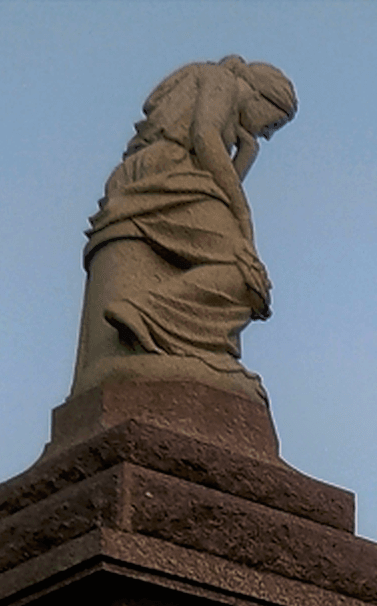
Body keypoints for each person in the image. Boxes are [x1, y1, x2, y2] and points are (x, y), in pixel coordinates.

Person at [71, 57, 297, 398]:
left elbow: (218, 180)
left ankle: (166, 327)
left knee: (248, 277)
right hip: (168, 173)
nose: (267, 133)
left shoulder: (219, 92)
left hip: (179, 177)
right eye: (274, 123)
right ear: (259, 96)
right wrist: (243, 214)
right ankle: (147, 315)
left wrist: (246, 152)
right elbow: (205, 138)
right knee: (245, 274)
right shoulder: (221, 79)